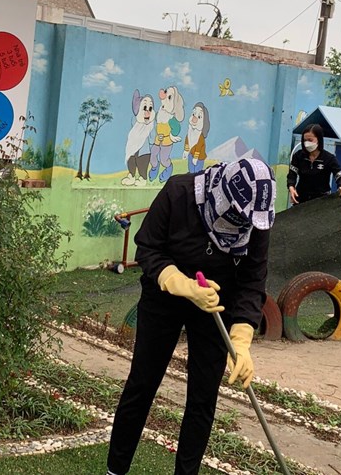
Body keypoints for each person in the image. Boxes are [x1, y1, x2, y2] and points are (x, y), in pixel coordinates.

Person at [106, 158, 277, 475]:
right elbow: (148, 248)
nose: (244, 225)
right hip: (164, 296)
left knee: (203, 397)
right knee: (142, 383)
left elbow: (253, 281)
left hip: (215, 306)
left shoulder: (257, 218)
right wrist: (180, 283)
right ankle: (115, 469)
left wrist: (242, 338)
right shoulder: (179, 192)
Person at [287, 123, 341, 204]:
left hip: (322, 201)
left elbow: (340, 176)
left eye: (310, 140)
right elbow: (292, 175)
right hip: (301, 199)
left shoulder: (329, 158)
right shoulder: (298, 156)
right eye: (305, 140)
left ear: (319, 139)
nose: (307, 143)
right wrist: (291, 187)